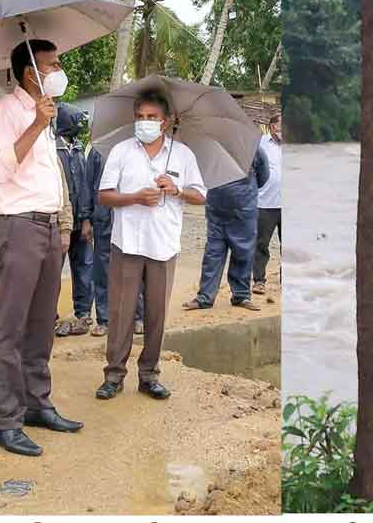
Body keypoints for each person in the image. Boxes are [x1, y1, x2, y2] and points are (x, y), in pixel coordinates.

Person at [0, 39, 84, 457]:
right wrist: (34, 126)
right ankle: (6, 420)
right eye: (54, 64)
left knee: (42, 324)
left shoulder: (46, 114)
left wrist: (62, 224)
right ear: (31, 71)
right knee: (10, 328)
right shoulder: (5, 113)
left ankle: (36, 404)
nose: (59, 70)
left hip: (45, 228)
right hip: (15, 227)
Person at [95, 89, 206, 401]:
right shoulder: (121, 151)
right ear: (134, 118)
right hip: (126, 243)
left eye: (152, 118)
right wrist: (135, 197)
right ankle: (114, 375)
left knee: (156, 315)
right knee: (121, 313)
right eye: (141, 117)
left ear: (167, 121)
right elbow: (103, 196)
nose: (145, 122)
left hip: (164, 245)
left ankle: (149, 375)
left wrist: (177, 189)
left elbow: (201, 195)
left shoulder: (182, 155)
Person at [181, 139, 269, 312]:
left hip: (243, 211)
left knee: (243, 253)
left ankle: (241, 296)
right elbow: (201, 174)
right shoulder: (209, 149)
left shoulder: (253, 149)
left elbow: (263, 176)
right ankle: (204, 297)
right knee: (212, 255)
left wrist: (244, 192)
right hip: (216, 210)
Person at [85, 140, 145, 338]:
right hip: (103, 220)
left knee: (134, 270)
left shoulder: (139, 149)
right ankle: (104, 319)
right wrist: (86, 218)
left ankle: (137, 316)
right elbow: (89, 186)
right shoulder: (97, 151)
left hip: (131, 220)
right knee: (102, 271)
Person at [54, 103, 94, 337]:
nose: (80, 125)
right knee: (53, 271)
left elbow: (87, 186)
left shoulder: (80, 150)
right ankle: (49, 315)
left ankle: (83, 312)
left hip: (81, 221)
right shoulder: (51, 149)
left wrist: (87, 219)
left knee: (84, 269)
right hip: (60, 224)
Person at [252, 114, 282, 295]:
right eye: (281, 125)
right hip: (264, 203)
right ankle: (258, 280)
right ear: (272, 127)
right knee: (261, 244)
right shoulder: (260, 143)